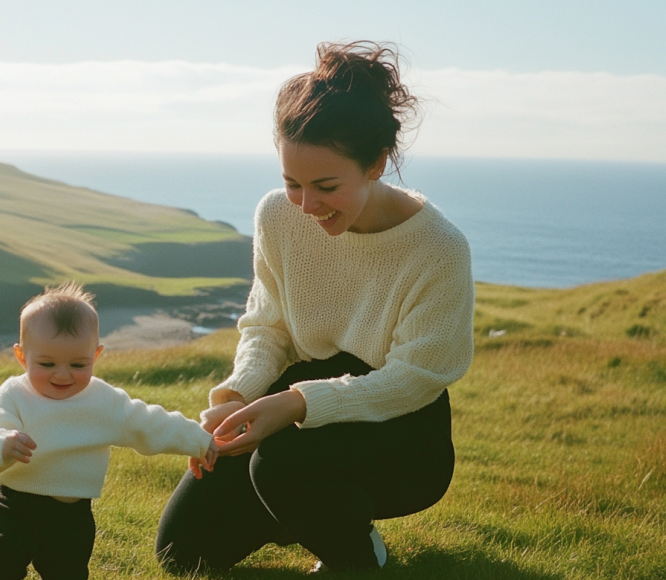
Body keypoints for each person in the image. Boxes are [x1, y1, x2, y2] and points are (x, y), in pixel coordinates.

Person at [155, 41, 475, 574]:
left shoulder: (438, 247)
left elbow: (418, 377)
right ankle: (309, 511)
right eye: (292, 183)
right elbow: (267, 327)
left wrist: (295, 405)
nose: (306, 205)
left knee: (281, 463)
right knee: (181, 554)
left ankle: (354, 551)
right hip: (297, 402)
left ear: (375, 164)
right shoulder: (276, 216)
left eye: (326, 186)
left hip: (402, 431)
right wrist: (238, 397)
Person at [0, 281, 219, 580]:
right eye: (47, 363)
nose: (62, 374)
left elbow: (149, 422)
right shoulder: (14, 394)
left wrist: (198, 440)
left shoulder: (103, 401)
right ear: (22, 356)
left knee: (68, 572)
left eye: (78, 364)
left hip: (71, 516)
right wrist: (1, 444)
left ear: (96, 355)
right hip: (15, 507)